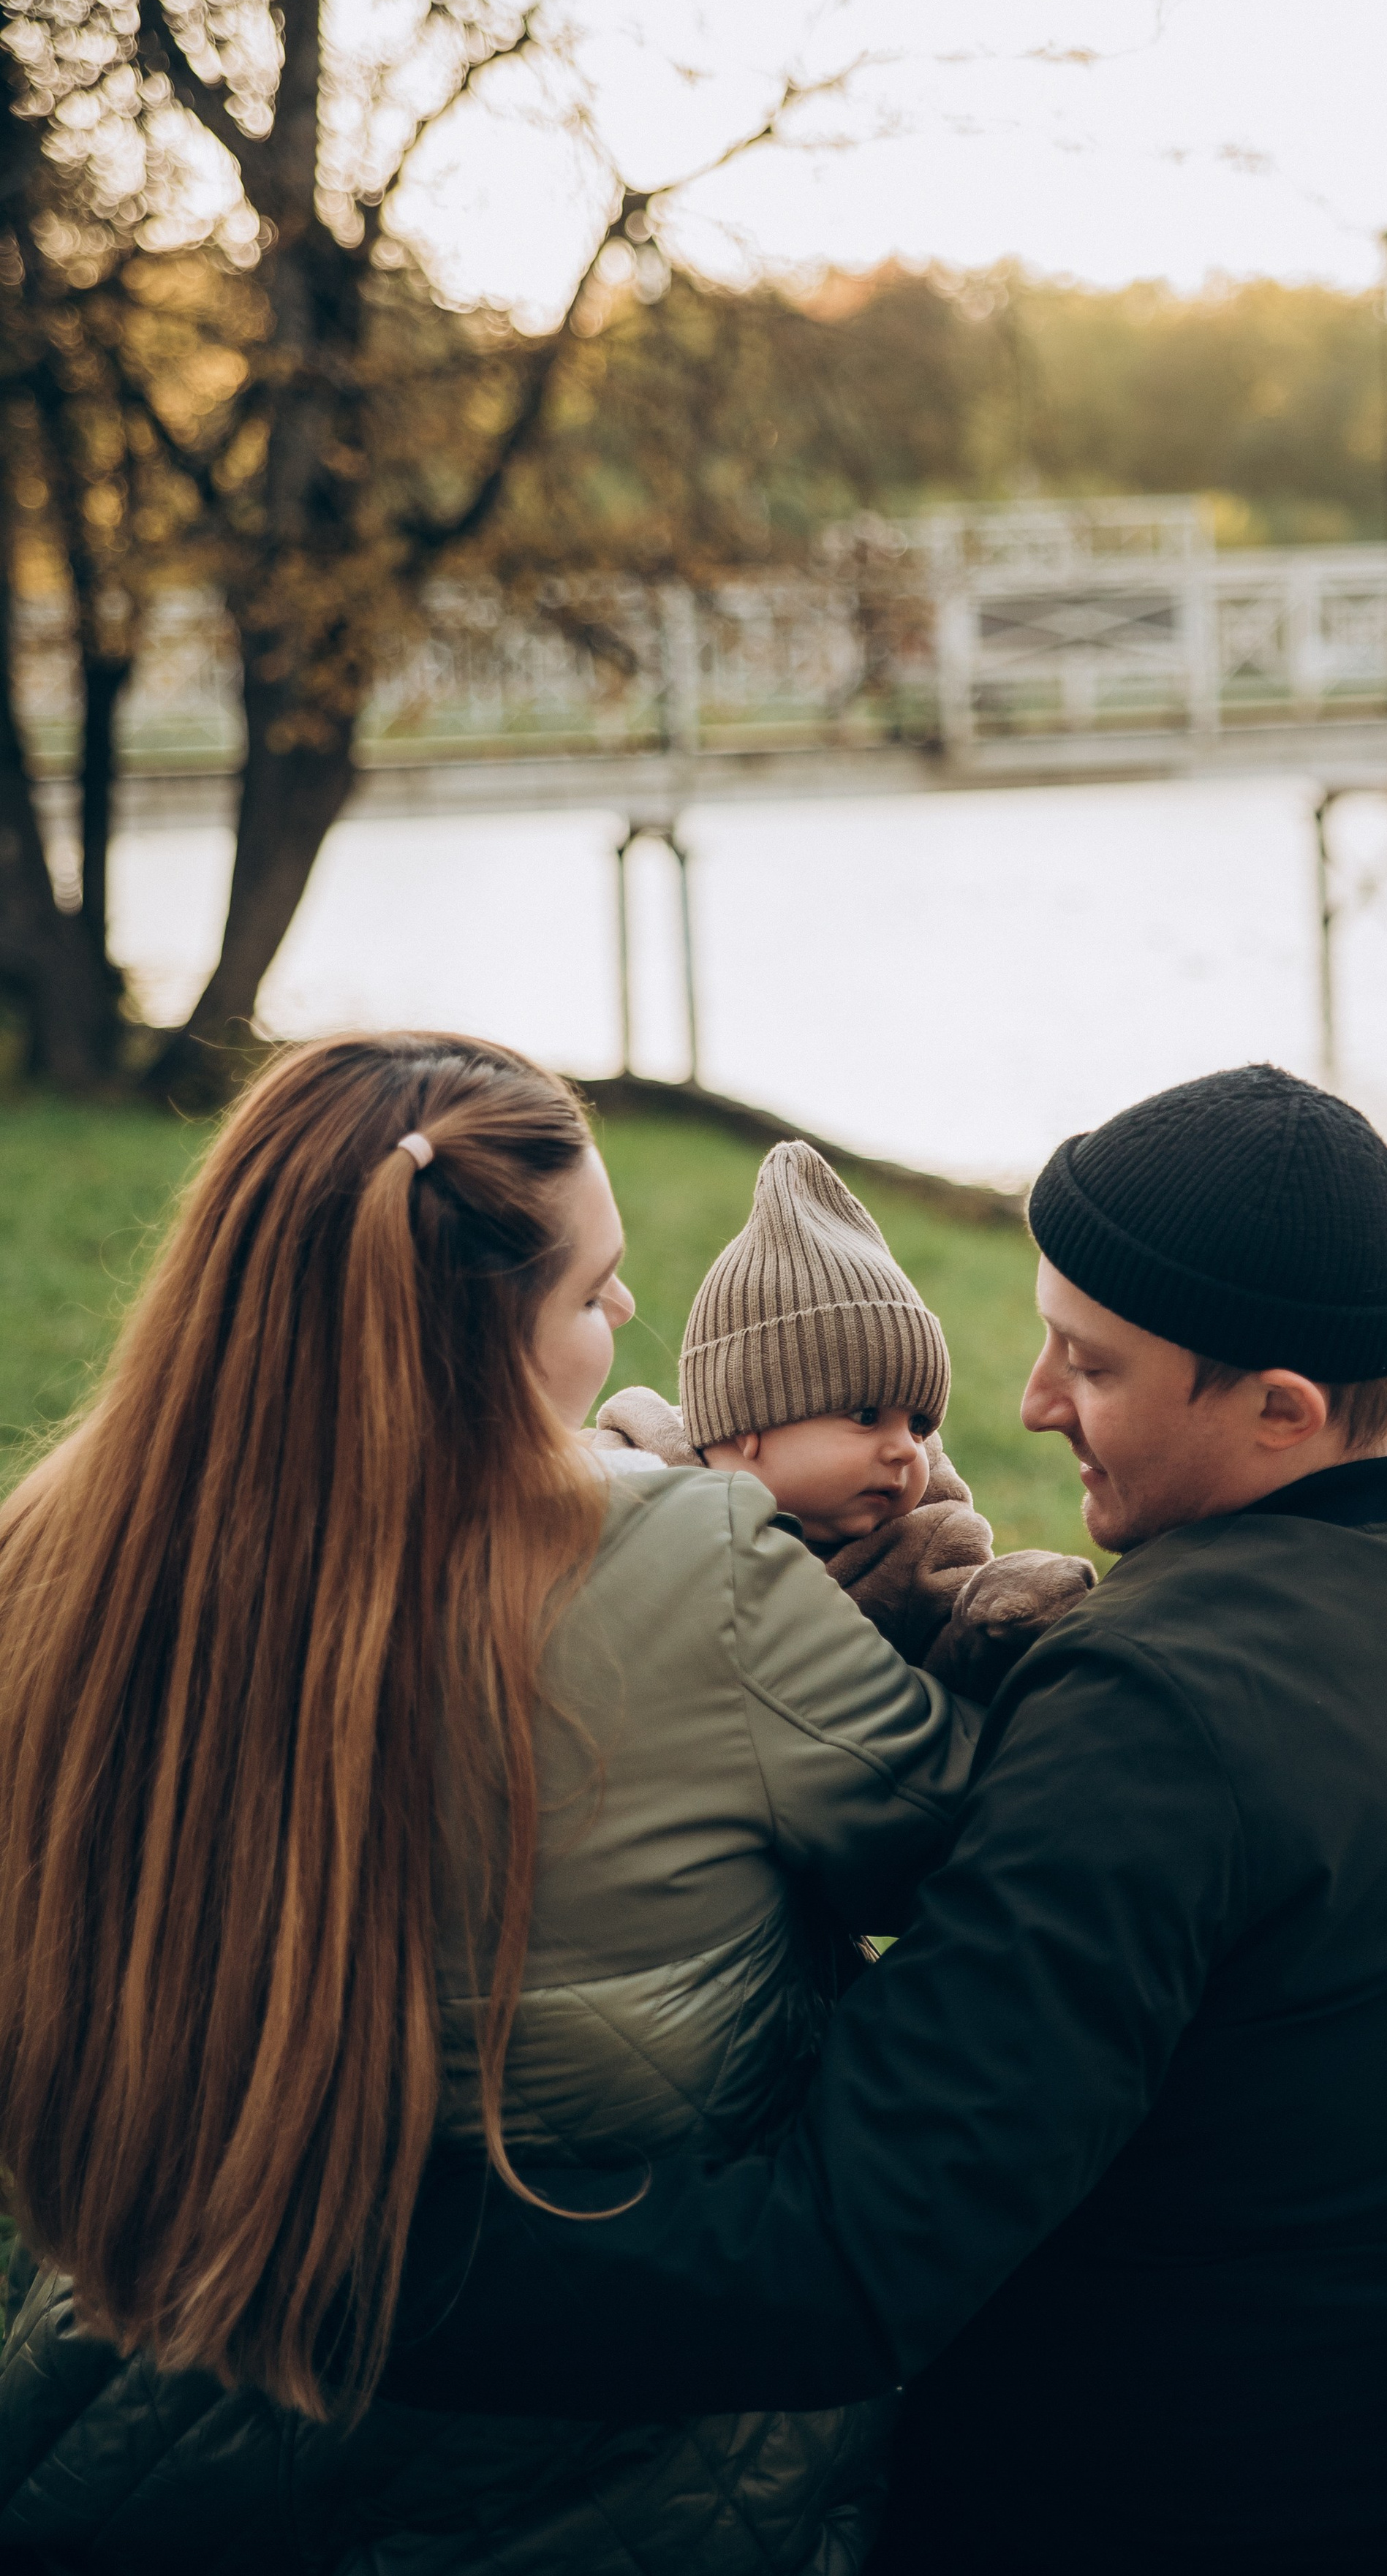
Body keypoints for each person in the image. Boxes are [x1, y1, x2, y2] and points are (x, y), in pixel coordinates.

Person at [381, 1063, 1387, 2576]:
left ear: (1279, 1409)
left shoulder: (1159, 1707)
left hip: (1193, 2512)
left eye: (1094, 1369)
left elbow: (845, 2255)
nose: (1027, 1404)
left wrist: (353, 2276)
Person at [0, 1030, 982, 2575]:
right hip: (616, 2447)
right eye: (593, 1293)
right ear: (472, 1335)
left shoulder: (50, 1564)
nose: (631, 1313)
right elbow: (953, 1842)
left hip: (138, 2373)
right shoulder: (694, 1567)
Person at [595, 1138, 1093, 1689]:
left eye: (919, 1423)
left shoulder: (917, 1552)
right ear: (750, 1419)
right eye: (866, 1414)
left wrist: (991, 1626)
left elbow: (950, 1671)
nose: (907, 1447)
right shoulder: (631, 1487)